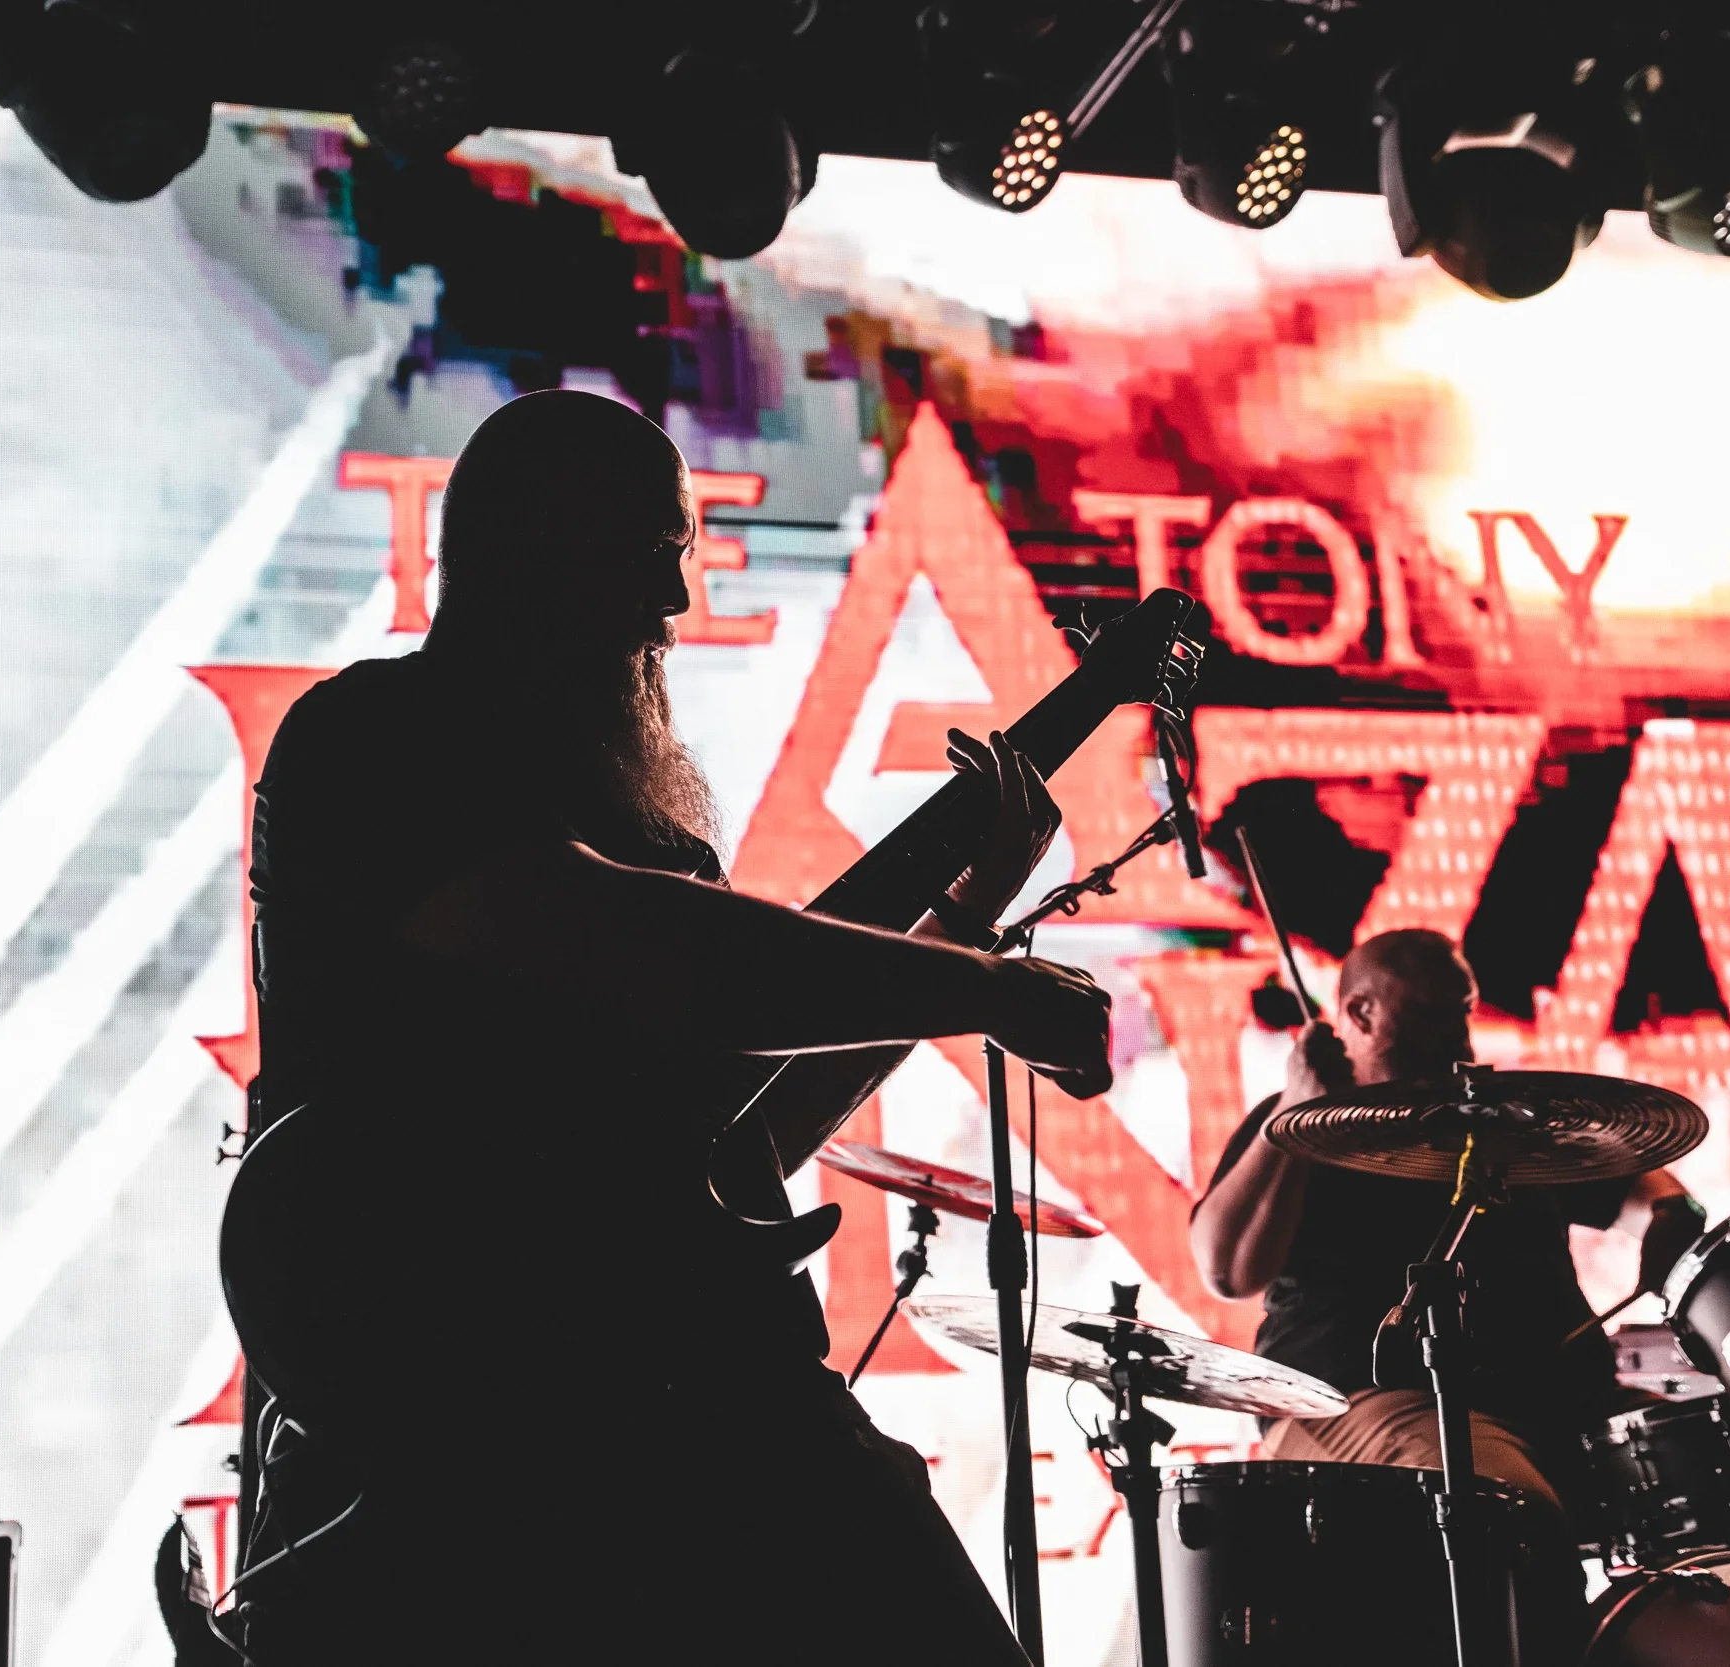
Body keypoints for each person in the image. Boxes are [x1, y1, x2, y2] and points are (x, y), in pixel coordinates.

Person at [231, 389, 1113, 1665]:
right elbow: (626, 941)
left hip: (672, 1385)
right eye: (654, 559)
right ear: (535, 550)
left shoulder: (650, 838)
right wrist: (993, 990)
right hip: (471, 1412)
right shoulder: (375, 741)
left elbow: (740, 1132)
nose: (676, 608)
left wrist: (969, 922)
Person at [1189, 928, 1705, 1660]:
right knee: (1507, 1510)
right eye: (1430, 1015)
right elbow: (1225, 1267)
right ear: (1359, 1015)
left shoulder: (1499, 1121)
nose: (1457, 1037)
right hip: (1354, 1400)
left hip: (1556, 1397)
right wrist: (1293, 1115)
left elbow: (1643, 1189)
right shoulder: (1304, 1124)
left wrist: (1670, 1216)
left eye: (1461, 1012)